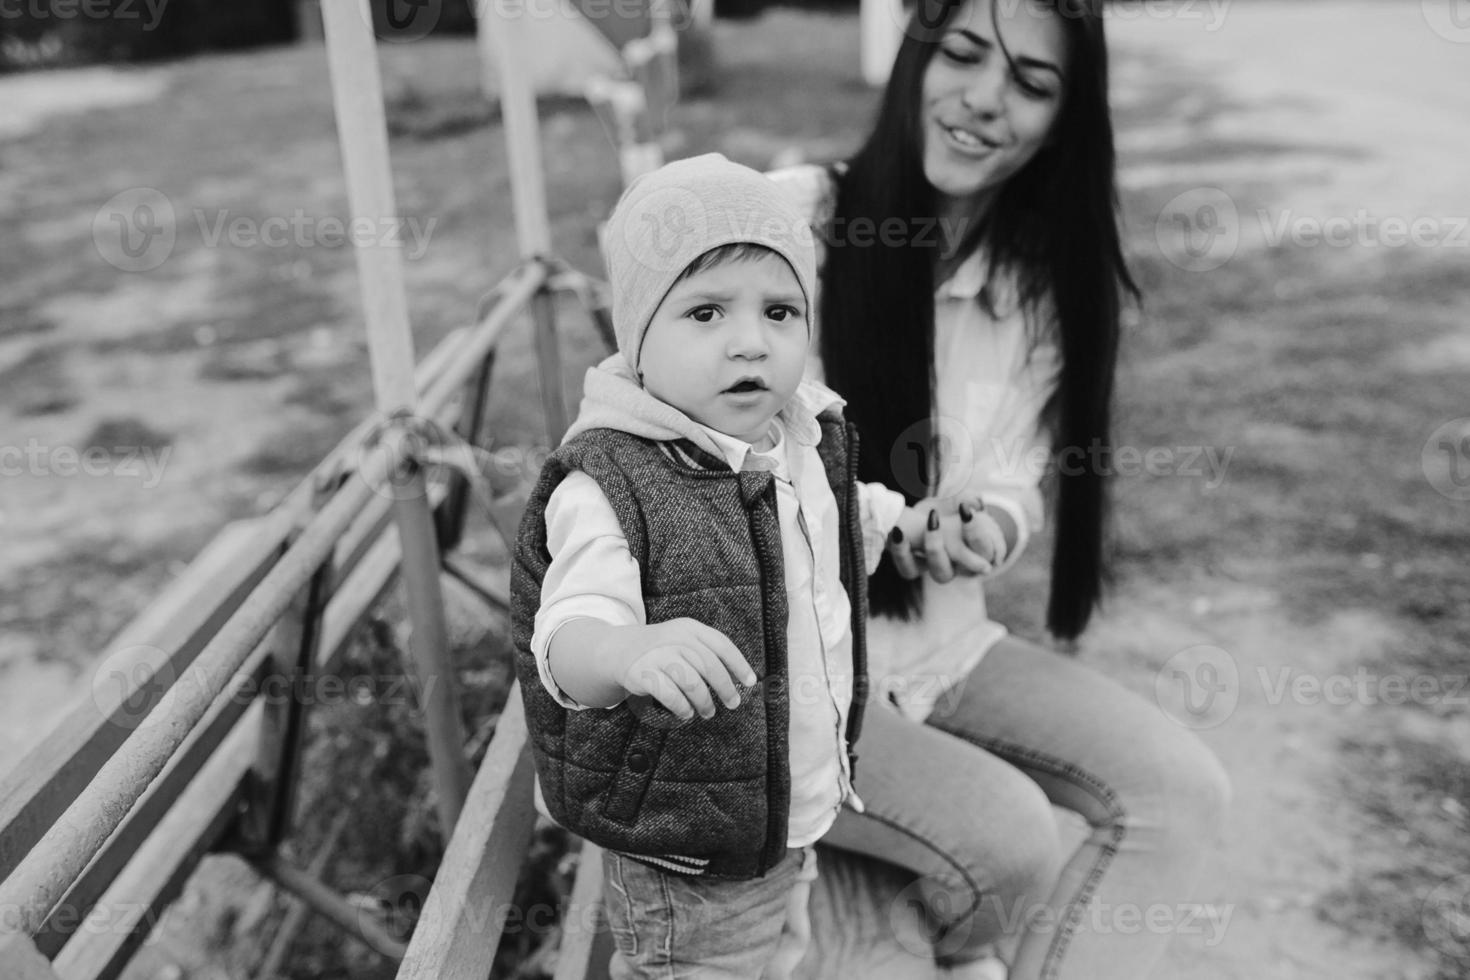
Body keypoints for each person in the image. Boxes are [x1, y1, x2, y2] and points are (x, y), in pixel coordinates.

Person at [768, 0, 1232, 977]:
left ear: (1069, 116)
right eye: (966, 55)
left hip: (943, 648)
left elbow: (1015, 480)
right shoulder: (788, 224)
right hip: (792, 673)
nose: (985, 100)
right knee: (1011, 839)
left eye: (1032, 82)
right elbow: (682, 471)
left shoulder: (1034, 284)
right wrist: (881, 524)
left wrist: (982, 528)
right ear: (916, 58)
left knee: (1184, 791)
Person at [510, 153, 986, 980]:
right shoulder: (611, 480)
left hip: (788, 806)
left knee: (781, 950)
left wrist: (905, 526)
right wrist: (626, 652)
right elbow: (567, 636)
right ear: (637, 336)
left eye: (779, 310)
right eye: (704, 312)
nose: (750, 343)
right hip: (685, 849)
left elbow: (839, 515)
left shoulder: (798, 434)